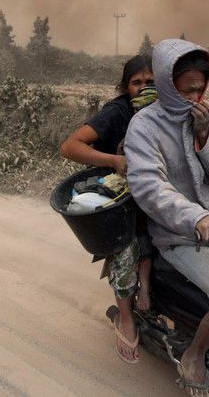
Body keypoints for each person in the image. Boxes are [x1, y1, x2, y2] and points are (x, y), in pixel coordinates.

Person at [124, 39, 209, 395]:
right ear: (167, 85)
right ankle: (194, 356)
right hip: (177, 232)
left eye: (201, 87)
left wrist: (205, 135)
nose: (197, 96)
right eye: (188, 89)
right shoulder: (144, 127)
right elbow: (149, 187)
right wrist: (195, 218)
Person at [60, 54, 154, 364]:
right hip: (123, 196)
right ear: (126, 87)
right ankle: (125, 316)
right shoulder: (118, 112)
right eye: (136, 82)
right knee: (125, 249)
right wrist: (113, 160)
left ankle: (153, 289)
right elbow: (71, 145)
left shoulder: (166, 112)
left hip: (158, 193)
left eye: (151, 82)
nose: (143, 88)